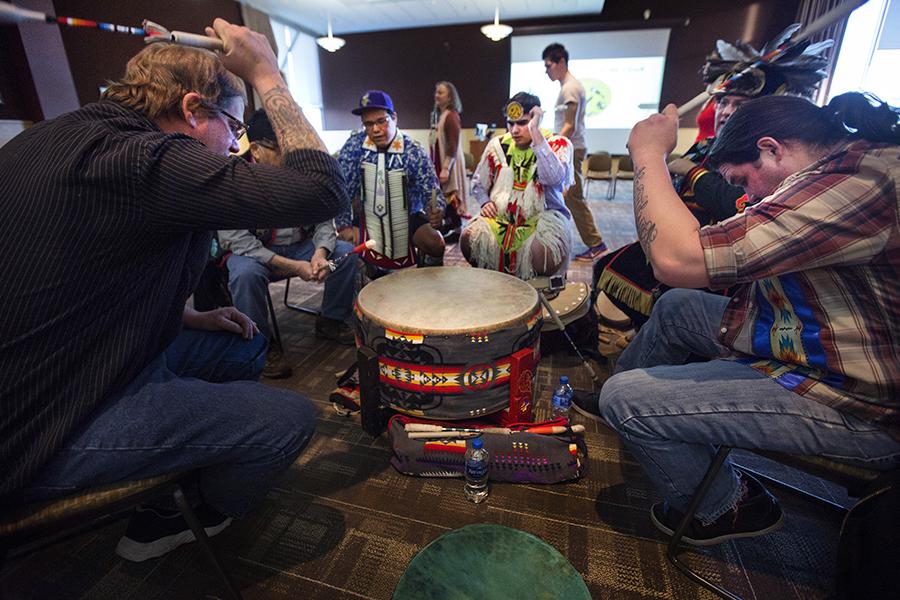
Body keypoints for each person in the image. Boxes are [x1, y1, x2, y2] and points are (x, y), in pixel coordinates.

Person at [0, 21, 348, 561]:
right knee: (289, 420)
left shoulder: (56, 136)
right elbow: (320, 190)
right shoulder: (144, 159)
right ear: (191, 109)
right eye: (233, 128)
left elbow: (80, 277)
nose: (236, 146)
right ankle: (172, 518)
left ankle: (186, 461)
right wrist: (267, 74)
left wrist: (190, 316)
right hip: (42, 420)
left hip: (76, 357)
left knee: (243, 342)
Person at [587, 91, 900, 546]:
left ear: (772, 148)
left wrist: (649, 154)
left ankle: (727, 504)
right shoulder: (841, 167)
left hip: (856, 404)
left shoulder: (860, 183)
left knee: (625, 397)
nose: (747, 196)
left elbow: (675, 258)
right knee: (676, 307)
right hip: (814, 341)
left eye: (744, 180)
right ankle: (646, 427)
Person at [589, 28, 832, 345]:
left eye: (740, 103)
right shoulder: (705, 148)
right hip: (680, 240)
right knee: (604, 267)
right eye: (724, 102)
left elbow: (737, 204)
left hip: (724, 260)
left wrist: (690, 174)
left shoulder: (774, 159)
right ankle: (624, 344)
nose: (727, 111)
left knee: (661, 287)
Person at [219, 109, 357, 379]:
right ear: (256, 149)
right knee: (244, 274)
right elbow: (234, 240)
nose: (290, 158)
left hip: (301, 248)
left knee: (345, 253)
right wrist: (292, 266)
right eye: (282, 150)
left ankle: (330, 319)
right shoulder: (233, 179)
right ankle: (260, 343)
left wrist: (320, 252)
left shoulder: (302, 170)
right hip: (256, 254)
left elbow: (324, 220)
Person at [461, 92, 573, 280]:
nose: (514, 130)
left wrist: (535, 133)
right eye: (510, 123)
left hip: (542, 219)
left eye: (522, 123)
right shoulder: (498, 145)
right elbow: (478, 183)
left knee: (542, 255)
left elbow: (553, 178)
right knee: (468, 239)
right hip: (502, 219)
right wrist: (484, 202)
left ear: (536, 119)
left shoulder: (558, 143)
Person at [337, 90, 445, 269]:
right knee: (346, 247)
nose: (375, 129)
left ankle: (428, 287)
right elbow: (342, 188)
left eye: (381, 121)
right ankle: (362, 288)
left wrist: (437, 209)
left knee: (435, 243)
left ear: (394, 117)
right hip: (367, 216)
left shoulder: (413, 151)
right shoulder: (354, 146)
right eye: (368, 124)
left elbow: (431, 188)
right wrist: (344, 225)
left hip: (408, 216)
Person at [542, 42, 606, 261]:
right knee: (570, 197)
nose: (546, 71)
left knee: (575, 197)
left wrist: (551, 149)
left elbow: (571, 126)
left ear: (561, 61)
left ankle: (596, 244)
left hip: (572, 149)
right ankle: (591, 241)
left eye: (548, 65)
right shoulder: (566, 87)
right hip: (570, 147)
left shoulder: (571, 87)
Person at [430, 80, 469, 242]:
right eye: (436, 92)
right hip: (443, 161)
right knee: (446, 193)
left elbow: (452, 145)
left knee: (451, 193)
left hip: (450, 163)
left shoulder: (451, 116)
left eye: (441, 93)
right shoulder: (442, 115)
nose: (436, 96)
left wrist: (446, 168)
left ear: (450, 96)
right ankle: (453, 226)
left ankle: (457, 229)